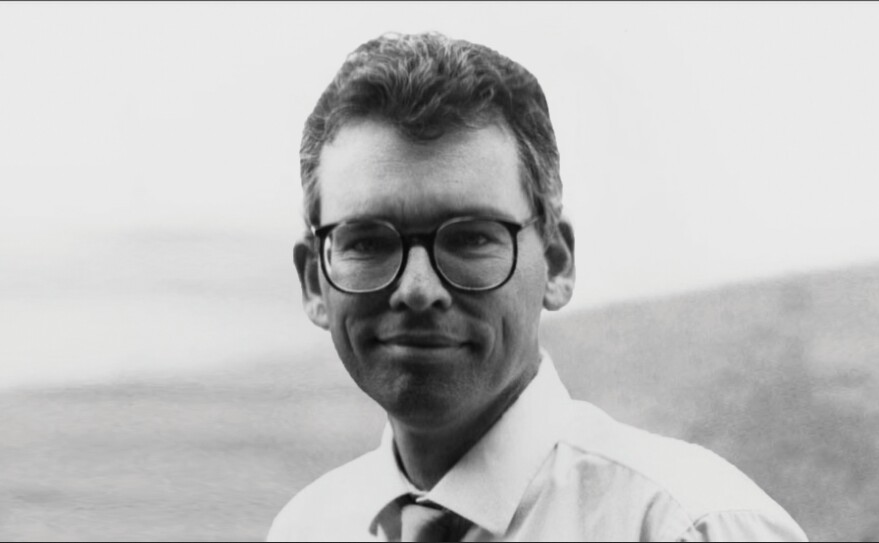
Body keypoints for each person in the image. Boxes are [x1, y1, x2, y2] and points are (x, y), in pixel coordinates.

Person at [268, 31, 808, 542]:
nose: (417, 288)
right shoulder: (307, 529)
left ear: (556, 261)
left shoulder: (688, 526)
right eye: (367, 242)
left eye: (471, 238)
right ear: (314, 279)